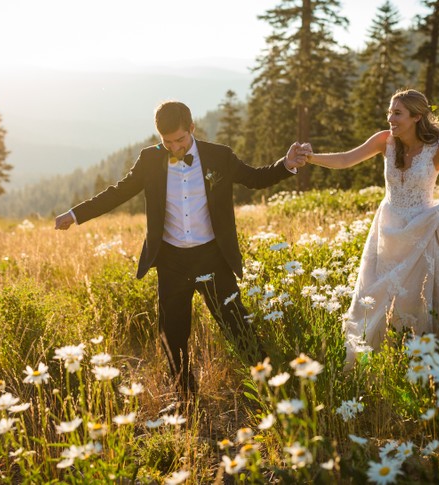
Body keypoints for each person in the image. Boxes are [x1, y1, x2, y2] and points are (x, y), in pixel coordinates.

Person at [55, 100, 308, 399]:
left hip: (212, 256)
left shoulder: (218, 156)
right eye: (167, 143)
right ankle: (185, 396)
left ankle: (272, 389)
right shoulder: (150, 159)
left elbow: (254, 178)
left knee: (238, 326)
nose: (174, 148)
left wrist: (287, 164)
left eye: (180, 140)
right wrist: (75, 214)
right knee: (172, 334)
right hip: (171, 259)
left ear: (192, 128)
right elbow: (118, 192)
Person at [302, 89, 439, 365]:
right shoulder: (385, 141)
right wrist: (311, 158)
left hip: (422, 230)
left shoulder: (437, 150)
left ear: (417, 117)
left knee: (418, 295)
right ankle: (379, 356)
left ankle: (425, 357)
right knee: (376, 293)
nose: (390, 118)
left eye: (397, 113)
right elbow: (346, 159)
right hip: (387, 230)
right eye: (389, 112)